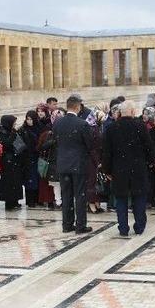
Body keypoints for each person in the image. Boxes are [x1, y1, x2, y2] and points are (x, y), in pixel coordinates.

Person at [102, 101, 154, 236]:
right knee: (139, 197)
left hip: (119, 169)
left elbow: (106, 152)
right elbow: (149, 147)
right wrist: (150, 163)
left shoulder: (112, 128)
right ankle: (139, 226)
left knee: (121, 199)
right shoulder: (140, 126)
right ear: (132, 111)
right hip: (138, 168)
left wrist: (107, 170)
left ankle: (123, 228)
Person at [53, 95, 94, 234]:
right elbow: (89, 144)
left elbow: (56, 141)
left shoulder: (58, 123)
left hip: (63, 164)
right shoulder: (82, 124)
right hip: (78, 164)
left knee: (66, 195)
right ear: (77, 106)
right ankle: (80, 225)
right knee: (80, 195)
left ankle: (67, 224)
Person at [0, 115, 26, 210]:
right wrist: (13, 135)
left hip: (15, 160)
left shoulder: (12, 131)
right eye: (13, 123)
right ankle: (9, 203)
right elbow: (7, 144)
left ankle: (15, 201)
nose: (14, 125)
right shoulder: (1, 133)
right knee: (8, 183)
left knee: (16, 181)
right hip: (6, 162)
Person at [38, 109, 65, 209]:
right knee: (56, 183)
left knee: (63, 183)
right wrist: (52, 141)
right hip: (54, 162)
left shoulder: (66, 133)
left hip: (64, 161)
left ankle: (62, 200)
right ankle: (58, 201)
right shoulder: (49, 134)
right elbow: (42, 147)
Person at [21, 110, 43, 208]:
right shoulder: (23, 130)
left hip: (37, 157)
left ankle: (38, 199)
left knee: (37, 178)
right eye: (27, 119)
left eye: (31, 119)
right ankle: (30, 201)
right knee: (30, 179)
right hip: (28, 158)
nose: (29, 121)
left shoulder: (39, 128)